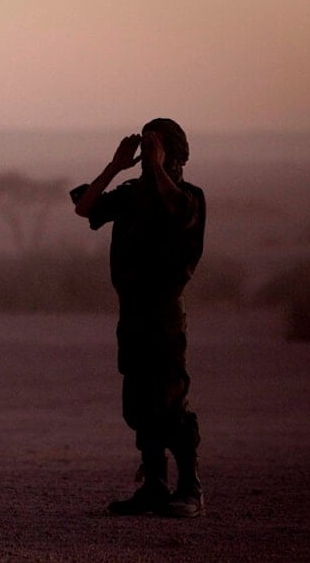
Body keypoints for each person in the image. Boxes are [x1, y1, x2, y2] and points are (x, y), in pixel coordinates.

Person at [71, 118, 206, 518]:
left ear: (175, 155)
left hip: (164, 313)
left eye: (157, 149)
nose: (149, 158)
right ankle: (154, 484)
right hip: (131, 313)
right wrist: (116, 166)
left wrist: (159, 164)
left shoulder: (187, 196)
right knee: (138, 404)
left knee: (170, 400)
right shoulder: (132, 195)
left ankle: (189, 487)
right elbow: (85, 208)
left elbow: (176, 208)